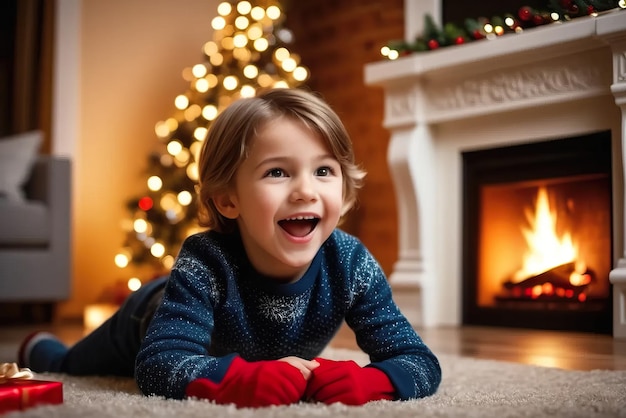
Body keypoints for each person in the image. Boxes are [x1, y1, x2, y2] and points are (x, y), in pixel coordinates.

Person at [18, 88, 441, 408]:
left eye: (324, 170)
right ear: (227, 199)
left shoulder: (350, 263)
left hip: (220, 329)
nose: (306, 191)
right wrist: (239, 380)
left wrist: (374, 382)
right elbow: (158, 365)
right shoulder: (206, 259)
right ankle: (41, 346)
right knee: (74, 364)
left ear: (345, 193)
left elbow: (419, 361)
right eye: (277, 172)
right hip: (151, 314)